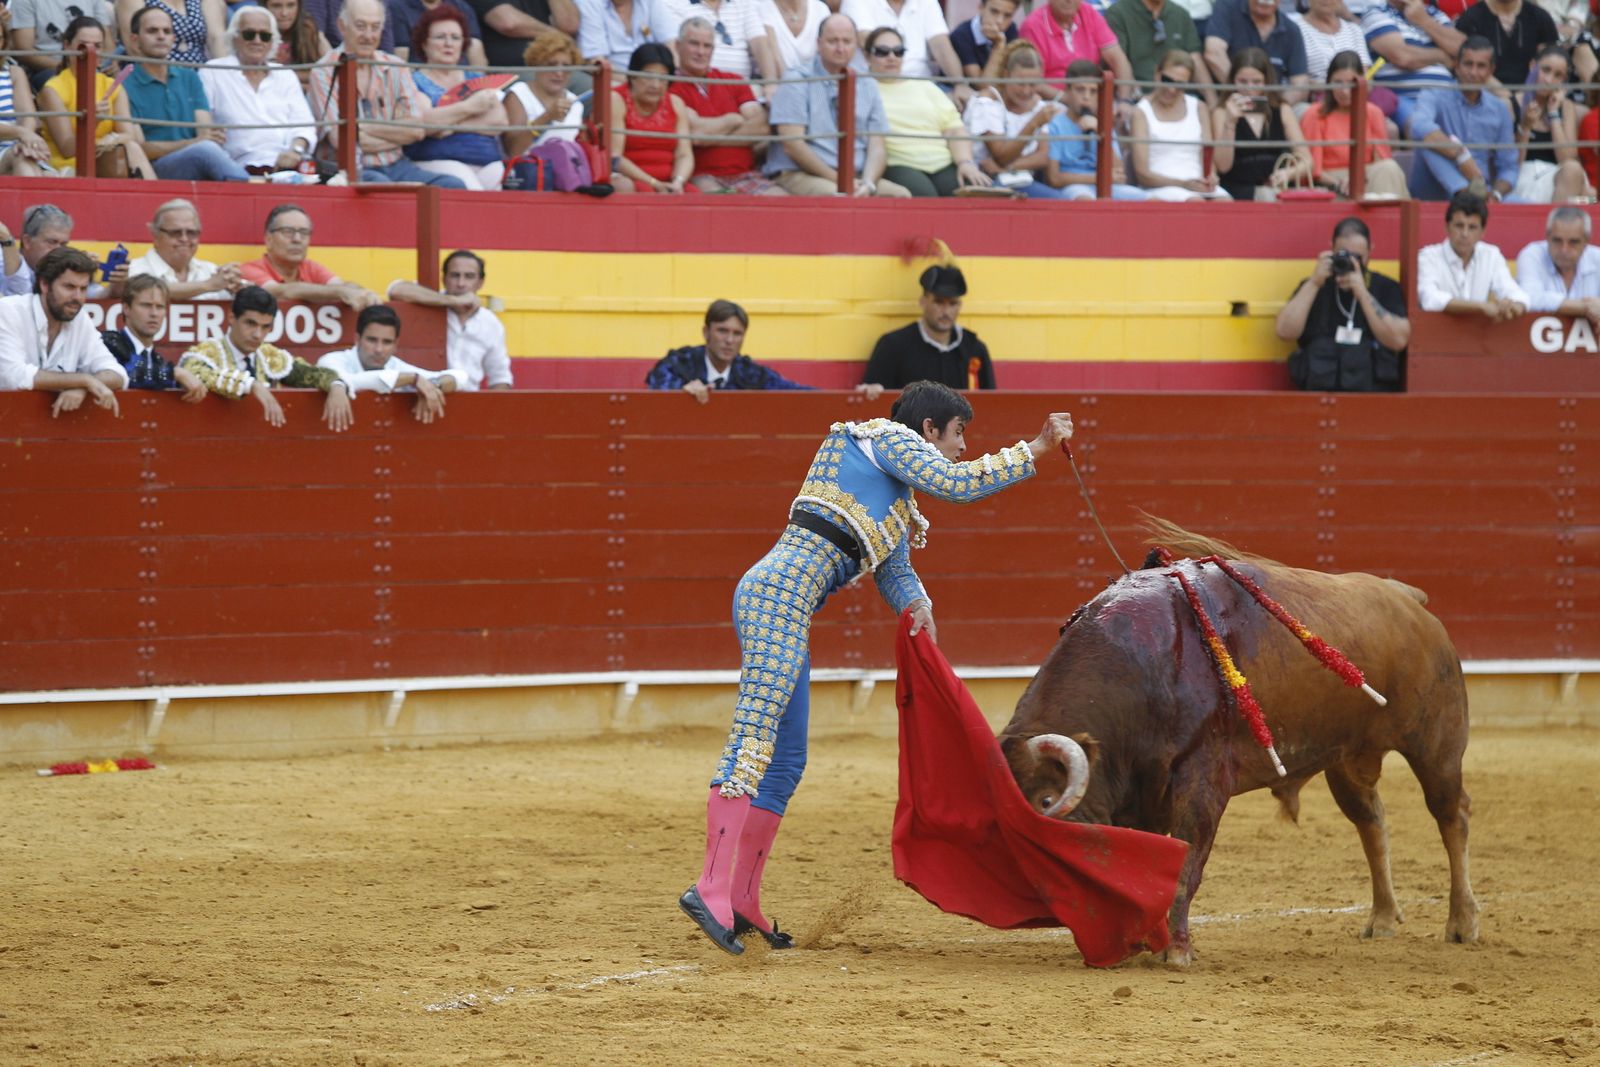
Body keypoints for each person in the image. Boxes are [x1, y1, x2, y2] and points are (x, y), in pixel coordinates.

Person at [678, 380, 1075, 955]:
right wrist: (1033, 449)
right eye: (959, 432)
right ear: (928, 429)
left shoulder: (890, 501)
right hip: (772, 598)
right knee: (754, 743)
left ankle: (742, 898)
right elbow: (956, 485)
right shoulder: (880, 437)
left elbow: (892, 570)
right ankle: (710, 885)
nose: (963, 446)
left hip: (789, 608)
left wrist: (919, 606)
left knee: (787, 760)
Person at [307, 0, 467, 188]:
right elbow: (343, 142)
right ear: (342, 26)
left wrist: (362, 129)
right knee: (384, 189)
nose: (368, 35)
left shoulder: (396, 67)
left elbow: (416, 130)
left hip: (398, 165)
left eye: (375, 27)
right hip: (349, 169)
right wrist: (394, 131)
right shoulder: (324, 71)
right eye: (361, 26)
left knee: (451, 185)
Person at [766, 14, 909, 197]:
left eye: (847, 41)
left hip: (855, 177)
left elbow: (877, 146)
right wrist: (841, 181)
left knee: (900, 195)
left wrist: (868, 183)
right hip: (800, 173)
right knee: (837, 197)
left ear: (856, 44)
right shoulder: (796, 79)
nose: (840, 48)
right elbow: (793, 146)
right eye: (833, 41)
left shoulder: (867, 83)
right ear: (818, 43)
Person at [178, 285, 356, 430]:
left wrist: (336, 385)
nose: (257, 334)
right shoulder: (208, 352)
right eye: (250, 323)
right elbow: (195, 372)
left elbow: (310, 374)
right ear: (232, 318)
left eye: (265, 327)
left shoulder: (270, 357)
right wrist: (251, 385)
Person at [1275, 216, 1411, 392]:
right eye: (1344, 255)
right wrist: (1314, 283)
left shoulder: (1385, 287)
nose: (1351, 263)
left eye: (1358, 257)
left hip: (1373, 397)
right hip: (1319, 394)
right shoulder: (1315, 285)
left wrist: (1362, 293)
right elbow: (1284, 332)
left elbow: (1399, 340)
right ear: (1332, 249)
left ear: (1371, 251)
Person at [122, 5, 251, 181]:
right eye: (152, 31)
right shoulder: (126, 85)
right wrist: (193, 143)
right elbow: (139, 148)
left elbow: (205, 132)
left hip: (195, 161)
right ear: (135, 40)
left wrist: (200, 141)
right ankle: (250, 191)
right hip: (153, 169)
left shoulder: (190, 77)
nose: (161, 36)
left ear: (173, 38)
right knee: (206, 150)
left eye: (167, 31)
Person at [0, 246, 127, 418]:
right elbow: (12, 377)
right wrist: (83, 380)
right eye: (69, 287)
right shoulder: (8, 311)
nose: (78, 297)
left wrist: (82, 387)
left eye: (83, 288)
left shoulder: (79, 318)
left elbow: (117, 373)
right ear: (44, 284)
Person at [870, 27, 992, 197]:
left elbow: (954, 128)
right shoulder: (865, 89)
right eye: (882, 52)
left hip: (943, 162)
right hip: (899, 163)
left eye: (898, 52)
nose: (891, 57)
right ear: (868, 56)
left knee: (976, 191)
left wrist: (965, 163)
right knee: (926, 197)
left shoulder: (925, 86)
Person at [200, 6, 319, 176]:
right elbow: (204, 127)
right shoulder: (213, 71)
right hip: (235, 168)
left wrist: (295, 150)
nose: (257, 41)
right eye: (249, 34)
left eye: (265, 36)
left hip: (286, 168)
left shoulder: (285, 75)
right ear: (234, 38)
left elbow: (304, 126)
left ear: (272, 42)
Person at [670, 17, 784, 194]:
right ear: (678, 46)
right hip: (702, 176)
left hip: (746, 174)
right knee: (719, 204)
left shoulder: (733, 81)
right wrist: (733, 119)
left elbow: (761, 127)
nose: (700, 52)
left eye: (707, 46)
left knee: (781, 202)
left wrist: (713, 134)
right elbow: (697, 134)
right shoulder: (672, 87)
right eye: (694, 44)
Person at [405, 5, 513, 191]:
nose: (449, 43)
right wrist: (470, 107)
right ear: (424, 43)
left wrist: (447, 125)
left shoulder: (476, 79)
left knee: (500, 192)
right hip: (438, 160)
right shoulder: (413, 81)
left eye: (455, 38)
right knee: (471, 190)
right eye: (440, 37)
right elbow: (426, 122)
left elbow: (499, 121)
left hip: (488, 161)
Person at [36, 17, 157, 179]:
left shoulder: (112, 86)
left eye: (98, 46)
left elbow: (129, 135)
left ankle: (152, 201)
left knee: (132, 147)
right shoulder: (53, 89)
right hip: (68, 166)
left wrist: (108, 140)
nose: (92, 52)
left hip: (106, 158)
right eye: (83, 46)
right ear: (67, 45)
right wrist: (93, 121)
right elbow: (67, 149)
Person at [1408, 37, 1519, 202]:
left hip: (1482, 193)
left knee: (1528, 207)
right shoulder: (1434, 94)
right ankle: (1464, 195)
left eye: (1481, 66)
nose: (1473, 73)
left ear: (1491, 70)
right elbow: (1418, 125)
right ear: (1457, 66)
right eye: (1468, 64)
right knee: (1426, 140)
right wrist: (1461, 156)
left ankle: (1472, 198)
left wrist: (1495, 196)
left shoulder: (1499, 109)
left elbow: (1509, 168)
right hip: (1434, 188)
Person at [387, 250, 513, 391]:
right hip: (424, 396)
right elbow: (395, 289)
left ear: (480, 283)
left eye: (469, 277)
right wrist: (452, 301)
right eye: (455, 275)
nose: (461, 283)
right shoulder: (429, 301)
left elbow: (500, 378)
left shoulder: (491, 323)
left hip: (467, 402)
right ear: (444, 279)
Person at [316, 304, 459, 423]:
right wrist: (412, 379)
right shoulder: (332, 361)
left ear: (396, 344)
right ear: (357, 339)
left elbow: (460, 376)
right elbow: (346, 380)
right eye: (372, 340)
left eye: (387, 342)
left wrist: (433, 385)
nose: (379, 349)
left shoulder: (397, 367)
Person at [645, 300, 809, 401]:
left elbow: (796, 393)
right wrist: (680, 391)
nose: (729, 340)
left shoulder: (750, 373)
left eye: (737, 333)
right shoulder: (679, 364)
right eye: (722, 331)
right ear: (706, 332)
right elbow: (657, 386)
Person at [863, 266, 995, 391]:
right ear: (923, 301)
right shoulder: (893, 346)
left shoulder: (974, 349)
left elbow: (992, 403)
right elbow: (873, 404)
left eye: (952, 303)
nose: (946, 311)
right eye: (938, 302)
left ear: (960, 305)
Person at [1300, 50, 1409, 199]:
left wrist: (1358, 178)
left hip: (1366, 177)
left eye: (1351, 83)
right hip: (1331, 183)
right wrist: (1341, 183)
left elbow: (1382, 161)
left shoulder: (1373, 112)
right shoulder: (1315, 114)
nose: (1344, 91)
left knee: (1389, 168)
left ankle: (1391, 220)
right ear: (1328, 83)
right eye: (1338, 83)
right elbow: (1314, 171)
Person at [964, 40, 1067, 198]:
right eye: (1020, 83)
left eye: (1032, 84)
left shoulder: (1039, 106)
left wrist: (1009, 167)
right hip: (984, 181)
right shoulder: (987, 101)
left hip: (1021, 179)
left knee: (1063, 202)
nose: (1026, 91)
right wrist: (1033, 124)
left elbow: (1043, 156)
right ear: (1006, 75)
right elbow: (1001, 155)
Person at [1210, 47, 1309, 202]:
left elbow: (1307, 161)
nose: (1249, 89)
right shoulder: (1221, 112)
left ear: (1267, 81)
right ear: (1232, 80)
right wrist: (1230, 122)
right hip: (1236, 191)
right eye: (1243, 82)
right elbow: (1223, 166)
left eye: (1256, 82)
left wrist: (1288, 173)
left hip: (1276, 189)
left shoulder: (1282, 109)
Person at [1039, 57, 1148, 198]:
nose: (1086, 97)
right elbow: (1053, 179)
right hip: (1072, 188)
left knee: (1152, 202)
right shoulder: (1055, 125)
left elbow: (1119, 172)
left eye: (1093, 91)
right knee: (1085, 200)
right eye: (1080, 90)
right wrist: (1099, 178)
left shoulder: (1102, 124)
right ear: (1067, 90)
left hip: (1107, 186)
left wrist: (1101, 133)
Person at [239, 204, 383, 309]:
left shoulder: (311, 267)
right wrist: (341, 292)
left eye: (304, 232)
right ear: (268, 239)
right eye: (288, 231)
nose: (297, 239)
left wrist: (361, 292)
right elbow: (282, 291)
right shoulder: (248, 270)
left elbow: (341, 286)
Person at [1131, 47, 1229, 200]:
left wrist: (1211, 177)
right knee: (1195, 203)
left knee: (1226, 204)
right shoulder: (1141, 112)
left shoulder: (1199, 107)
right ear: (1157, 74)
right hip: (1161, 186)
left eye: (1180, 84)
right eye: (1167, 80)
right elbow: (1142, 174)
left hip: (1197, 183)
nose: (1172, 89)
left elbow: (1207, 155)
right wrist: (1183, 184)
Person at [1415, 189, 1530, 319]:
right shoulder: (1428, 257)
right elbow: (1430, 299)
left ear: (1483, 232)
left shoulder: (1491, 255)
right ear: (1447, 227)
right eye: (1459, 226)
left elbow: (1516, 294)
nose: (1465, 234)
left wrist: (1513, 306)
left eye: (1472, 227)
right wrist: (1481, 307)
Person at [1358, 0, 1462, 139]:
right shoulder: (1377, 13)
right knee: (1422, 129)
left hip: (1448, 98)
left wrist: (1424, 20)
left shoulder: (1433, 14)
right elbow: (1403, 57)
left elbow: (1462, 50)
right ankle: (1461, 158)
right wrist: (1441, 55)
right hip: (1405, 98)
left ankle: (1461, 158)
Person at [100, 274, 208, 399]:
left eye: (160, 307)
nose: (154, 313)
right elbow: (127, 374)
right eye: (146, 305)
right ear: (126, 308)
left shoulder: (157, 360)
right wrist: (174, 374)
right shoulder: (109, 342)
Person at [840, 0, 969, 102]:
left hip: (923, 86)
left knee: (974, 105)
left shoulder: (927, 2)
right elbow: (867, 41)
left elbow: (941, 45)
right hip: (877, 85)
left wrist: (959, 83)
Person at [609, 43, 696, 194]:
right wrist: (654, 183)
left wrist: (678, 181)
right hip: (633, 179)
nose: (656, 85)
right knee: (647, 195)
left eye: (662, 79)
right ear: (633, 77)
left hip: (669, 182)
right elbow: (615, 157)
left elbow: (684, 153)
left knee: (695, 197)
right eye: (649, 77)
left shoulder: (676, 103)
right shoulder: (616, 99)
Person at [1510, 45, 1590, 204]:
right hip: (1521, 178)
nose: (1549, 80)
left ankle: (1558, 224)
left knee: (1577, 177)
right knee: (1587, 195)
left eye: (1558, 75)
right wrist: (1525, 126)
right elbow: (1511, 163)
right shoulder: (1510, 104)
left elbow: (1567, 159)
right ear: (1532, 66)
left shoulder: (1566, 107)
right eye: (1545, 70)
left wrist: (1554, 114)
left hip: (1560, 182)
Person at [1, 203, 126, 300]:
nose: (58, 250)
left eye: (63, 244)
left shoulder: (65, 267)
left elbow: (98, 298)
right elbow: (19, 301)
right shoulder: (3, 262)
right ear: (27, 241)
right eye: (52, 242)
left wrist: (116, 285)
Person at [128, 198, 243, 301]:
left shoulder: (211, 271)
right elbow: (145, 290)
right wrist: (207, 286)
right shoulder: (133, 269)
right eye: (175, 233)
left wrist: (237, 287)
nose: (184, 239)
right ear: (155, 235)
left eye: (191, 233)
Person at [1021, 0, 1136, 102]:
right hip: (1052, 103)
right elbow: (1034, 82)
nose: (1069, 1)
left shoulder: (1088, 12)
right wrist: (1069, 101)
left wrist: (1124, 100)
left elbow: (1118, 60)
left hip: (1093, 98)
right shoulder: (1032, 26)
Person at [1203, 0, 1308, 104]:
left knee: (1304, 110)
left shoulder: (1291, 29)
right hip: (1230, 99)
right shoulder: (1227, 8)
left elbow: (1300, 82)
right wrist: (1243, 92)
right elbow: (1213, 53)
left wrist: (1278, 107)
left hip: (1273, 104)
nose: (1264, 1)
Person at [653, 0, 779, 86]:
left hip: (743, 86)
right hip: (697, 86)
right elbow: (675, 51)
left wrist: (770, 83)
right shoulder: (672, 3)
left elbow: (760, 43)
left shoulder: (743, 2)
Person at [504, 31, 586, 159]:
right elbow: (513, 151)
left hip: (566, 176)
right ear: (536, 65)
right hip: (527, 173)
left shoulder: (576, 103)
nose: (559, 73)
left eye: (566, 66)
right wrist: (546, 117)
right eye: (551, 65)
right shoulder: (518, 94)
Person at [1514, 205, 1600, 321]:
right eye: (1557, 241)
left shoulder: (1597, 258)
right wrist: (1585, 308)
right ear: (1547, 237)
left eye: (1573, 242)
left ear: (1586, 241)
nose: (1564, 250)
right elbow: (1528, 297)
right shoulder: (1532, 255)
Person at [7, 0, 114, 93]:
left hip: (93, 65)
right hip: (48, 69)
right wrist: (65, 67)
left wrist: (104, 64)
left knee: (117, 79)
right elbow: (23, 49)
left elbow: (108, 42)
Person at [1105, 0, 1209, 93]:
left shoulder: (1181, 14)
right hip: (1138, 96)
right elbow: (1118, 62)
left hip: (1177, 94)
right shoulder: (1118, 12)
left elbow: (1195, 60)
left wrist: (1212, 102)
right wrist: (1129, 98)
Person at [1455, 0, 1559, 88]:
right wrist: (1503, 94)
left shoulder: (1540, 17)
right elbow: (1467, 68)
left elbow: (1551, 64)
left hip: (1530, 96)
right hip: (1484, 95)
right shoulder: (1470, 19)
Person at [0, 18, 53, 178]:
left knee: (27, 159)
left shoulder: (13, 73)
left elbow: (28, 116)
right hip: (13, 146)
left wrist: (26, 141)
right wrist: (21, 133)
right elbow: (23, 129)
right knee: (24, 161)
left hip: (17, 146)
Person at [468, 0, 579, 70]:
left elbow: (570, 25)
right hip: (512, 70)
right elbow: (508, 23)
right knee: (589, 90)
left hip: (556, 66)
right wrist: (558, 36)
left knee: (592, 88)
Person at [114, 0, 225, 64]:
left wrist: (225, 75)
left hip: (201, 76)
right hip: (155, 74)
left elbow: (216, 38)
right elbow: (134, 47)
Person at [1288, 0, 1368, 88]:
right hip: (1314, 96)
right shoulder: (1295, 30)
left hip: (1354, 95)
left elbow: (1364, 74)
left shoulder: (1354, 30)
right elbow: (1296, 78)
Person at [389, 0, 489, 66]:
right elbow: (400, 57)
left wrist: (479, 85)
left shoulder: (462, 7)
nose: (448, 43)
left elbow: (476, 52)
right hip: (419, 80)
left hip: (461, 79)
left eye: (455, 37)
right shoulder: (397, 7)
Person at [949, 0, 1021, 84]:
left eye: (1007, 15)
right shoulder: (961, 35)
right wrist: (998, 46)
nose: (999, 21)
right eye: (994, 11)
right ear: (981, 7)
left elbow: (1014, 74)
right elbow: (981, 84)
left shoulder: (1011, 29)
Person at [265, 0, 331, 88]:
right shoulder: (255, 34)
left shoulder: (308, 28)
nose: (284, 13)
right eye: (277, 6)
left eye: (291, 5)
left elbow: (327, 72)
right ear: (265, 6)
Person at [578, 0, 655, 71]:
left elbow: (667, 43)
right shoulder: (589, 2)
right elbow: (596, 61)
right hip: (613, 79)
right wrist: (634, 83)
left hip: (653, 78)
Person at [758, 0, 830, 74]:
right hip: (780, 83)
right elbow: (775, 64)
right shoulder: (762, 8)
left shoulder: (821, 9)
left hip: (818, 81)